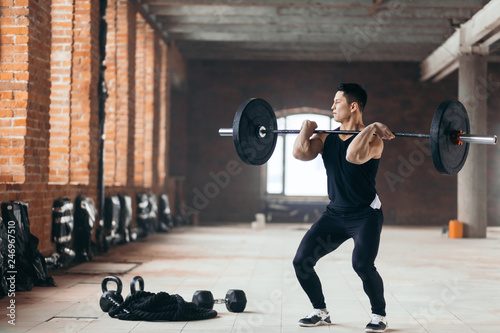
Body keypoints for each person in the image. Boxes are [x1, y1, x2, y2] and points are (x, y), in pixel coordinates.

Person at [292, 83, 394, 332]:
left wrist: (371, 128)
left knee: (362, 264)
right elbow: (300, 154)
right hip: (335, 214)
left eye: (337, 102)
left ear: (353, 106)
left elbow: (353, 156)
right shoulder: (327, 137)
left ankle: (378, 315)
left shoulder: (375, 141)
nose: (332, 106)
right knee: (301, 261)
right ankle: (320, 311)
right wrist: (305, 131)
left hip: (365, 215)